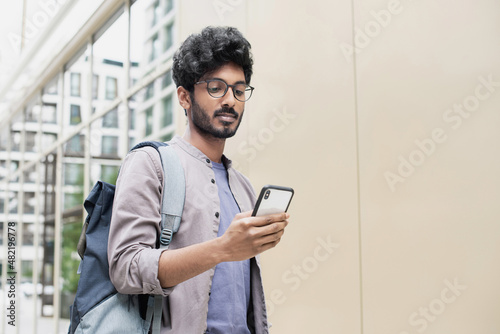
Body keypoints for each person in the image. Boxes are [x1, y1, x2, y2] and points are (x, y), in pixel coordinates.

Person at [108, 26, 290, 334]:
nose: (230, 100)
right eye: (216, 87)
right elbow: (126, 268)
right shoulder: (151, 164)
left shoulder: (242, 185)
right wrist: (222, 248)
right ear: (184, 96)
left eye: (239, 89)